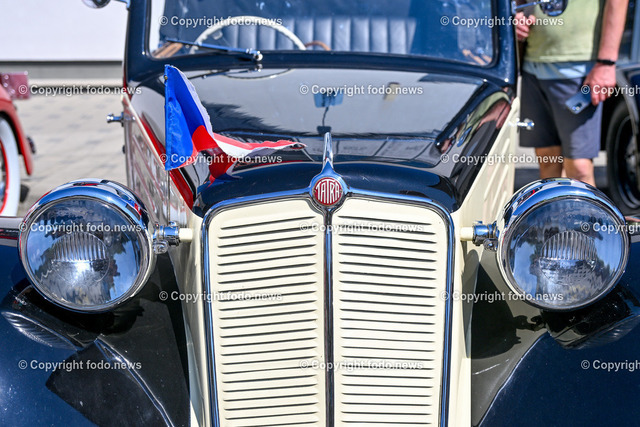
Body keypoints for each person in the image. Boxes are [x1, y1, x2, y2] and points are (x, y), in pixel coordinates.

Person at [515, 0, 628, 186]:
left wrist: (606, 63)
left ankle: (585, 207)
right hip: (533, 64)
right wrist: (518, 16)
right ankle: (554, 206)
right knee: (547, 159)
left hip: (581, 69)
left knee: (579, 168)